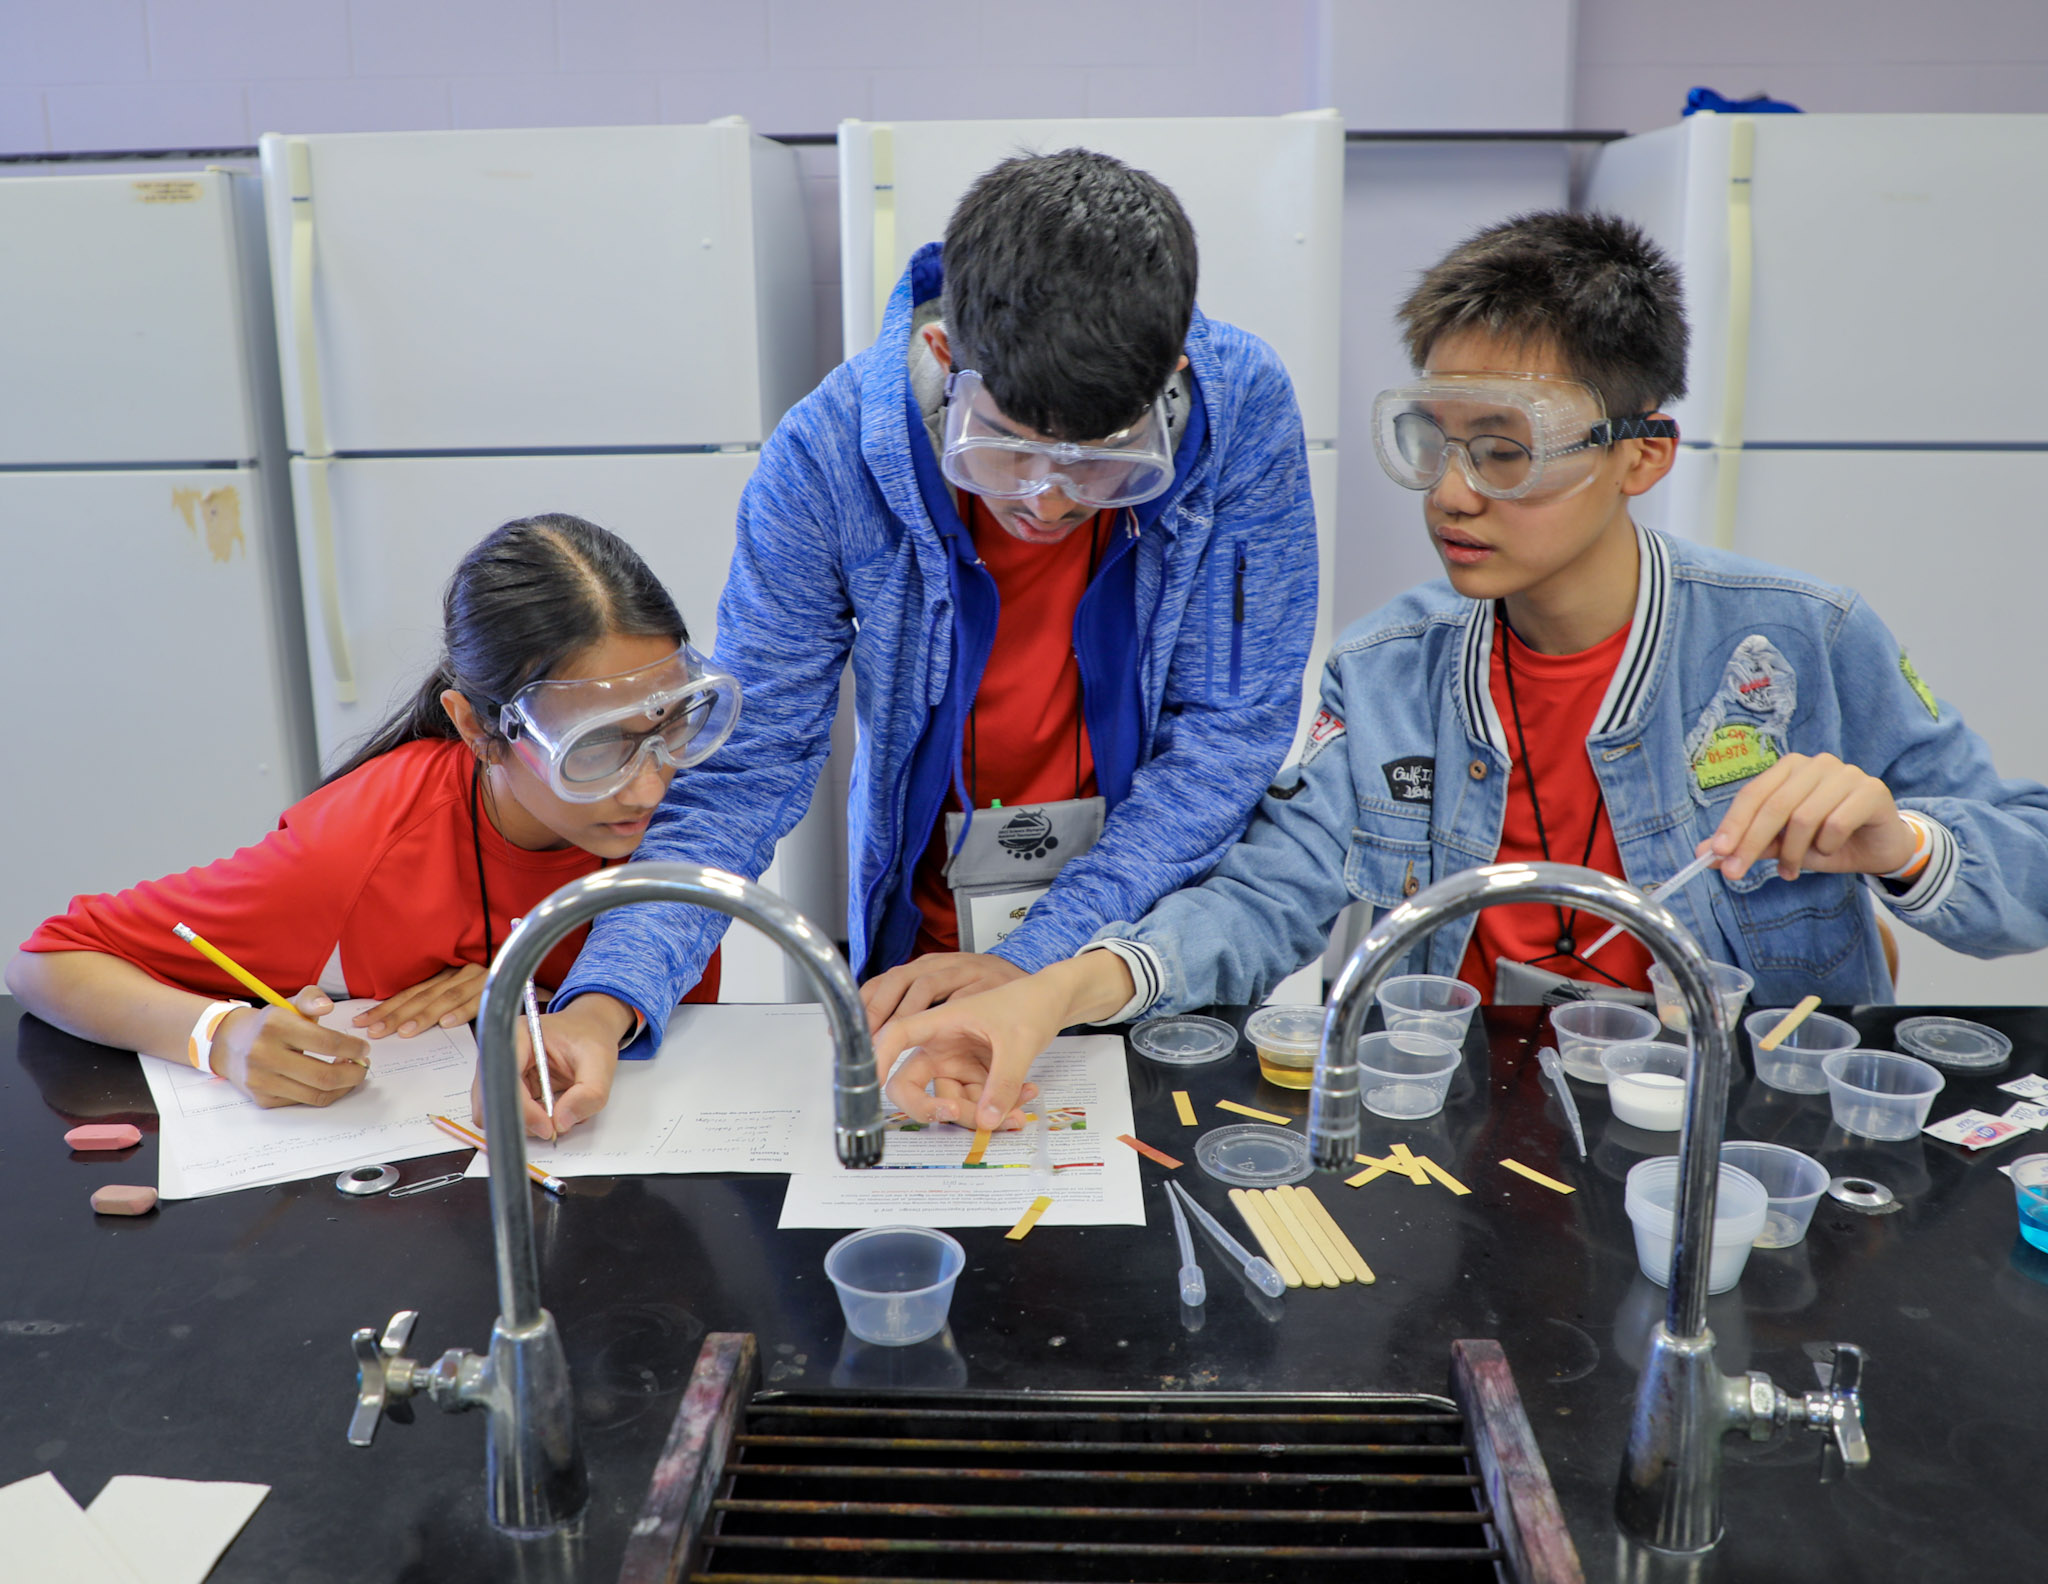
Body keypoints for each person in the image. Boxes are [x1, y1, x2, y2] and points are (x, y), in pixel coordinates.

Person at [873, 209, 2048, 1128]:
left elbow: (2026, 858)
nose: (1448, 492)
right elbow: (1260, 896)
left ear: (1640, 455)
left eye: (1501, 451)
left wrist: (1902, 844)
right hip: (1453, 1150)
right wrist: (1050, 991)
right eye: (1432, 442)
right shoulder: (1387, 673)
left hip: (1734, 1142)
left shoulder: (1800, 641)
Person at [529, 148, 1320, 1125]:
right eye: (1012, 447)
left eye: (1100, 461)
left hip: (1150, 952)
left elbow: (1226, 737)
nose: (1048, 498)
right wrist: (603, 1004)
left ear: (1170, 377)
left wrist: (1036, 961)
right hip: (931, 965)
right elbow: (744, 769)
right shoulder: (825, 457)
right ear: (946, 355)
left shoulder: (1241, 411)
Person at [9, 514, 727, 1137]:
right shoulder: (364, 840)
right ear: (476, 727)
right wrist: (219, 1037)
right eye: (594, 748)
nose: (652, 782)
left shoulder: (695, 806)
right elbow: (48, 960)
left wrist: (522, 994)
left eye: (670, 721)